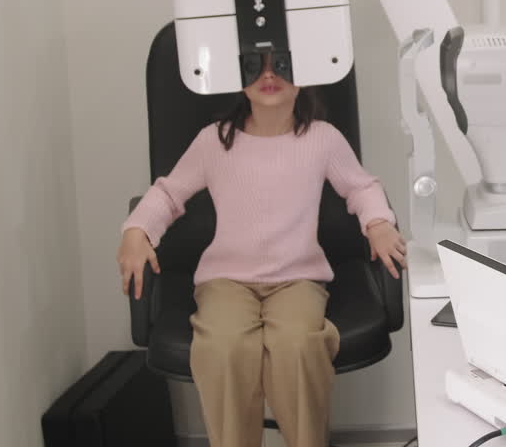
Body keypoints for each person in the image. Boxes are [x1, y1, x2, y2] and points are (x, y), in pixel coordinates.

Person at [117, 55, 407, 447]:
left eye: (282, 65)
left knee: (298, 344)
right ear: (239, 78)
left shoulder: (322, 138)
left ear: (302, 77)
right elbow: (168, 193)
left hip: (297, 279)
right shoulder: (215, 140)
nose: (269, 75)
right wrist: (137, 231)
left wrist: (378, 223)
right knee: (224, 346)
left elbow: (360, 186)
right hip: (226, 280)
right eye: (256, 64)